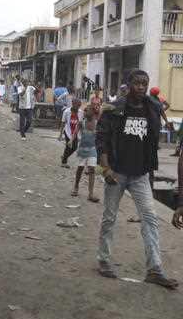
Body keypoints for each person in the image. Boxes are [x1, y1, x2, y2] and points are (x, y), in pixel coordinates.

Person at [96, 69, 178, 289]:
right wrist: (105, 168)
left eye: (145, 83)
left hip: (140, 174)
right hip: (117, 172)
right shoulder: (115, 107)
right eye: (137, 83)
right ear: (129, 84)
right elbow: (102, 138)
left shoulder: (152, 107)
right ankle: (104, 260)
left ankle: (155, 270)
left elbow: (157, 127)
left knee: (150, 218)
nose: (141, 87)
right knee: (110, 217)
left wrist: (167, 123)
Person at [73, 106, 100, 202]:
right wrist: (72, 140)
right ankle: (76, 186)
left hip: (92, 149)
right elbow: (75, 131)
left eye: (86, 110)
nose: (84, 112)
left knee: (92, 169)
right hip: (82, 149)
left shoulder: (97, 124)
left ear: (92, 112)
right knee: (80, 169)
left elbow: (100, 137)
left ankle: (91, 194)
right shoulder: (82, 123)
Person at [60, 98, 82, 168]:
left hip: (75, 132)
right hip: (67, 131)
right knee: (68, 146)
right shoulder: (66, 111)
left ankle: (64, 156)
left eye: (79, 106)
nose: (77, 107)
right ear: (73, 104)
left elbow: (80, 124)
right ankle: (64, 162)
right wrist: (60, 134)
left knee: (74, 147)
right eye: (76, 105)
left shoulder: (80, 112)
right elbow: (63, 123)